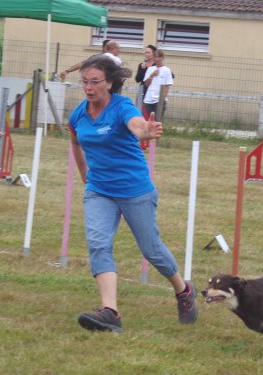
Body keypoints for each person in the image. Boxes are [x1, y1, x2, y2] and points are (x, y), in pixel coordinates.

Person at [67, 55, 198, 333]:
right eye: (85, 82)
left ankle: (183, 290)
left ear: (110, 83)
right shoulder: (78, 113)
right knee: (98, 243)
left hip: (134, 190)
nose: (89, 88)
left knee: (151, 250)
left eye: (95, 82)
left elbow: (135, 124)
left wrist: (146, 131)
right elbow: (76, 142)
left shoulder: (121, 106)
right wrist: (85, 176)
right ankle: (110, 312)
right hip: (99, 191)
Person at [143, 49, 173, 119]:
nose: (155, 59)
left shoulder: (167, 70)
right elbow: (146, 84)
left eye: (157, 57)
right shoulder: (150, 69)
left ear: (162, 58)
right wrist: (151, 75)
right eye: (154, 57)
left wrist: (162, 99)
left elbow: (167, 86)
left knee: (157, 121)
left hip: (159, 101)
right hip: (148, 100)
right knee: (149, 121)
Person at [134, 44, 157, 110]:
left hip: (153, 90)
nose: (146, 54)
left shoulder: (156, 66)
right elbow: (137, 79)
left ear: (154, 54)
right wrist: (142, 69)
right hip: (143, 89)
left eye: (149, 52)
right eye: (145, 52)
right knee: (140, 109)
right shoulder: (142, 65)